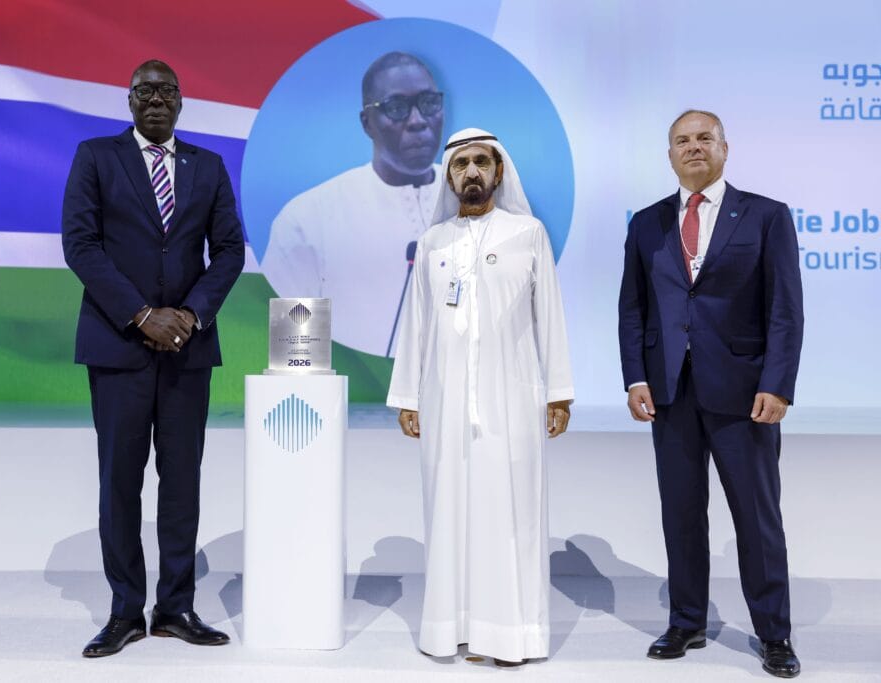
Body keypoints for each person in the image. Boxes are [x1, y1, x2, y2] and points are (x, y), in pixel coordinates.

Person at [62, 59, 245, 657]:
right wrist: (142, 316)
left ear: (182, 102)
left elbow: (227, 252)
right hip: (119, 347)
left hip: (187, 350)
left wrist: (190, 315)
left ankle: (175, 607)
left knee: (182, 481)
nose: (156, 99)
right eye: (145, 91)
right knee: (119, 482)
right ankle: (123, 612)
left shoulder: (209, 167)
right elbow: (80, 245)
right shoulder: (96, 157)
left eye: (167, 91)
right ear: (129, 101)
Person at [618, 110, 803, 678]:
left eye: (704, 138)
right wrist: (636, 376)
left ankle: (774, 635)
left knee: (757, 518)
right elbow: (633, 308)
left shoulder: (767, 216)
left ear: (725, 148)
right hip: (671, 393)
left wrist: (777, 383)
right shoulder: (647, 222)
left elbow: (785, 310)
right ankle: (686, 621)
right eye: (682, 141)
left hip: (745, 394)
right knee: (680, 514)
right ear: (669, 154)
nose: (693, 147)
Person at [387, 128, 574, 667]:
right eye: (461, 164)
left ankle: (511, 635)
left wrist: (558, 392)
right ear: (448, 176)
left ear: (498, 171)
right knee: (449, 510)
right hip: (444, 402)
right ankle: (454, 628)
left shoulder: (528, 233)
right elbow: (416, 324)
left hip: (512, 401)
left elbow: (551, 319)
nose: (471, 172)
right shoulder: (433, 243)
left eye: (481, 163)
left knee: (510, 512)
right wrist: (409, 397)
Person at [259, 51, 444, 357]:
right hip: (359, 397)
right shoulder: (308, 219)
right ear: (367, 123)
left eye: (429, 103)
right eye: (397, 108)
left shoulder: (484, 207)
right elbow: (294, 353)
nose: (417, 121)